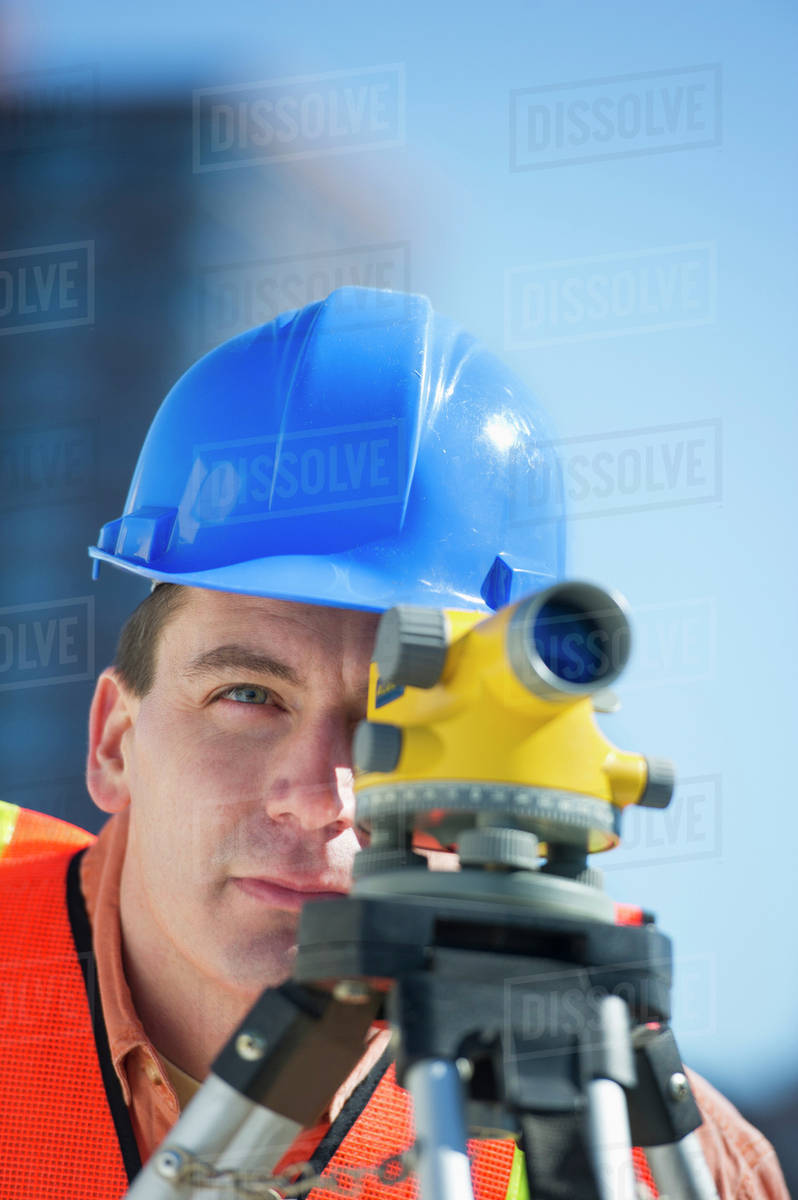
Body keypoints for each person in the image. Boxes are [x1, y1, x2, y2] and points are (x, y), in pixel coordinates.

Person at [0, 288, 787, 1200]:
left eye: (401, 723)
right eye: (247, 694)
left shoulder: (657, 1161)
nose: (323, 794)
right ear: (112, 741)